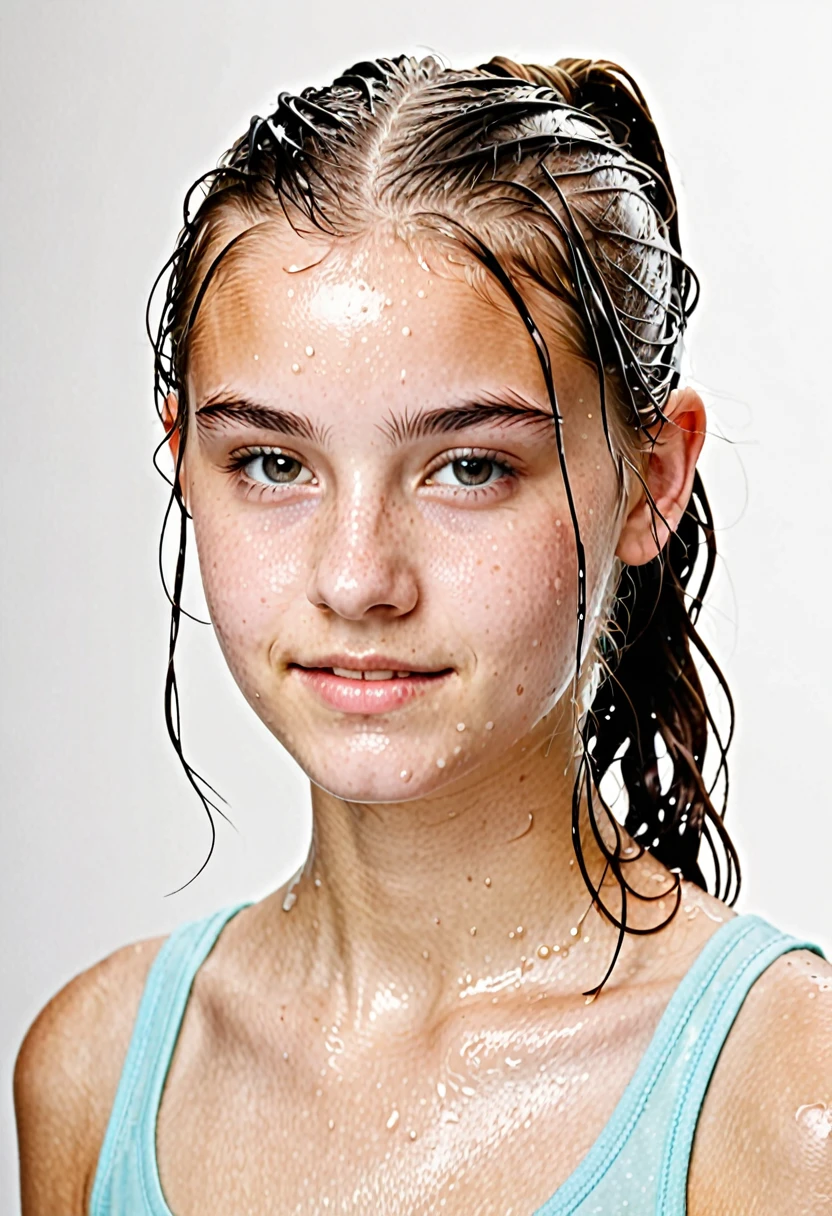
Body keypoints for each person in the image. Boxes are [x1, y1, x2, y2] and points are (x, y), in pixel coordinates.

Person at [14, 54, 831, 1216]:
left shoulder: (788, 1108)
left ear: (654, 476)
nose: (357, 578)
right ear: (182, 457)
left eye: (467, 467)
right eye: (272, 462)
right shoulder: (90, 1076)